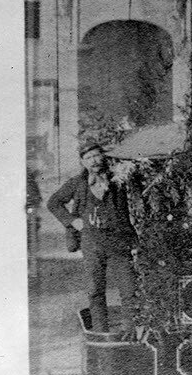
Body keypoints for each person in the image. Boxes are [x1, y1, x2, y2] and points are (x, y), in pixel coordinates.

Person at [47, 140, 138, 331]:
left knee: (129, 289)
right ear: (83, 162)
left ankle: (131, 331)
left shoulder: (119, 179)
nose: (94, 161)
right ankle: (100, 332)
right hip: (92, 242)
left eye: (97, 155)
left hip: (118, 242)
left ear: (103, 156)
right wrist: (73, 221)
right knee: (95, 290)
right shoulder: (77, 183)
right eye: (88, 158)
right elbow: (54, 202)